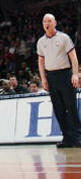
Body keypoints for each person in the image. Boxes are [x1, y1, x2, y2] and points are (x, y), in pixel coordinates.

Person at [37, 13, 81, 148]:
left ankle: (78, 137)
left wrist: (75, 74)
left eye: (49, 21)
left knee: (71, 107)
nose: (47, 23)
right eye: (45, 21)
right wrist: (43, 78)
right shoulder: (40, 42)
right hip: (51, 77)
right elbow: (40, 61)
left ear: (55, 23)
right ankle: (67, 138)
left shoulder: (64, 38)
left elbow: (73, 57)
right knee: (58, 109)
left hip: (65, 74)